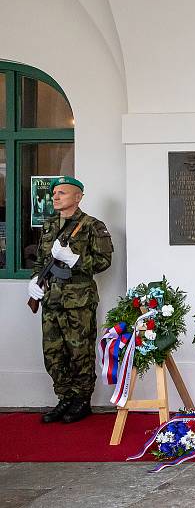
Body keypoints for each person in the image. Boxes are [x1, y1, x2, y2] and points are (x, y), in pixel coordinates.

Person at [27, 176, 113, 423]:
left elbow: (104, 262)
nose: (55, 196)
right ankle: (64, 397)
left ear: (78, 197)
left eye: (62, 193)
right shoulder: (49, 226)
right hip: (51, 300)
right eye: (54, 193)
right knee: (53, 353)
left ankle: (81, 401)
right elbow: (42, 261)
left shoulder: (92, 226)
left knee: (80, 353)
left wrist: (75, 259)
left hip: (79, 303)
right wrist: (34, 281)